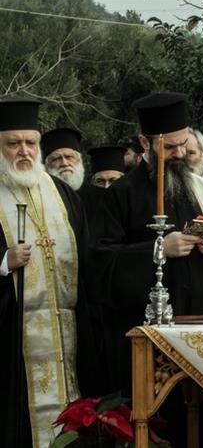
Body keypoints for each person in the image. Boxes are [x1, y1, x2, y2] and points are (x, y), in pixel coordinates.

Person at [93, 92, 203, 446]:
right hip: (150, 338)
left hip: (201, 328)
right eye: (169, 147)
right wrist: (158, 250)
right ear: (145, 143)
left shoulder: (200, 187)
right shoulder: (120, 194)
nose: (179, 154)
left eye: (183, 144)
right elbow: (102, 265)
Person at [0, 97, 99, 448]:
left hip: (68, 335)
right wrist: (3, 262)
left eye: (30, 142)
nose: (23, 151)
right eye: (13, 143)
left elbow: (91, 259)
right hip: (14, 342)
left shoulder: (63, 194)